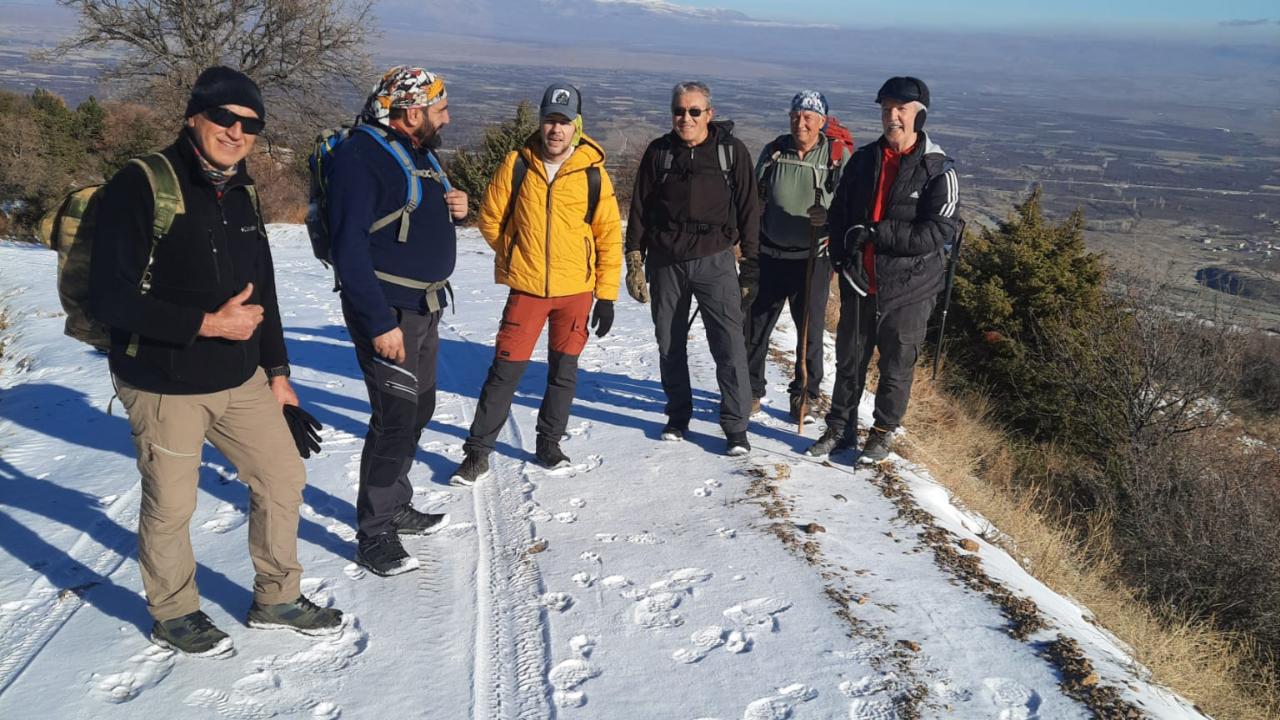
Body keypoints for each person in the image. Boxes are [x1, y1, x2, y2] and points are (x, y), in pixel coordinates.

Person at [90, 66, 343, 657]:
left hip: (241, 378)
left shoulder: (242, 188)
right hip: (162, 382)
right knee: (173, 504)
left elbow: (265, 292)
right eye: (225, 118)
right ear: (194, 116)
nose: (236, 132)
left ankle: (277, 597)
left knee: (282, 477)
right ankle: (174, 611)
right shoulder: (143, 183)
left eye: (250, 124)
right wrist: (206, 324)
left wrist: (279, 375)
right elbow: (110, 298)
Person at [325, 66, 468, 576]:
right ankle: (375, 533)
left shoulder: (414, 150)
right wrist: (378, 320)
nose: (446, 118)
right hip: (389, 312)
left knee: (419, 407)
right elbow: (349, 249)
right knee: (394, 418)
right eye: (439, 109)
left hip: (424, 308)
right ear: (412, 114)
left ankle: (396, 502)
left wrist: (457, 211)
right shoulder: (359, 158)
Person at [449, 83, 623, 485]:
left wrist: (607, 295)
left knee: (564, 372)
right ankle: (477, 453)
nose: (555, 130)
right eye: (549, 121)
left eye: (563, 122)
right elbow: (491, 218)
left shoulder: (593, 175)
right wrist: (514, 254)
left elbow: (608, 238)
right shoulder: (517, 164)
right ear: (540, 122)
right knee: (504, 372)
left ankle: (549, 443)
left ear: (576, 126)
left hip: (576, 292)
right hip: (527, 289)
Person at [807, 76, 959, 462]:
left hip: (910, 289)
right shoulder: (864, 160)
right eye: (886, 108)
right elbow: (840, 212)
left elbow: (937, 232)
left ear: (919, 116)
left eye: (901, 109)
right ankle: (839, 429)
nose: (892, 116)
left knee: (896, 365)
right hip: (861, 282)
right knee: (849, 360)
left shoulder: (937, 170)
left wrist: (877, 232)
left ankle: (881, 432)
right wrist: (842, 259)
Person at [624, 80, 760, 456]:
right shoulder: (659, 152)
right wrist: (634, 259)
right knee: (669, 343)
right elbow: (639, 209)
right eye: (679, 111)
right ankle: (678, 416)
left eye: (694, 111)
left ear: (709, 114)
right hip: (666, 260)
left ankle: (735, 427)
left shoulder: (731, 153)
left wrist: (751, 264)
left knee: (729, 345)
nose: (686, 118)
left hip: (716, 259)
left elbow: (750, 210)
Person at [746, 90, 850, 420]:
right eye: (795, 115)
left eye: (808, 117)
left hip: (813, 259)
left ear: (822, 121)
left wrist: (829, 219)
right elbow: (753, 194)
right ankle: (750, 391)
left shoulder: (836, 157)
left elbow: (851, 207)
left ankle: (804, 395)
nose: (800, 122)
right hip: (770, 255)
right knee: (756, 327)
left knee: (810, 331)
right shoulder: (775, 151)